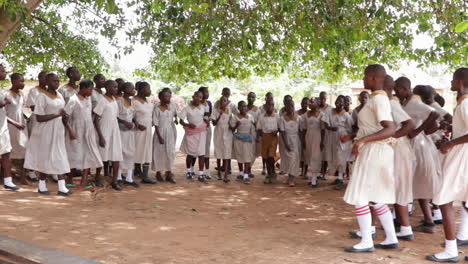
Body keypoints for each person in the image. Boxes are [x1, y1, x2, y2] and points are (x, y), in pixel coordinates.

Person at [343, 64, 397, 253]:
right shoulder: (376, 99)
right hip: (375, 150)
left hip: (375, 151)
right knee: (376, 198)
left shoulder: (379, 100)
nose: (363, 80)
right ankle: (391, 238)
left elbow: (391, 128)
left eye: (365, 77)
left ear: (373, 78)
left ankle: (367, 240)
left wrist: (363, 140)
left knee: (361, 196)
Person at [427, 68, 468, 263]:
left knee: (444, 199)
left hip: (462, 155)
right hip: (462, 153)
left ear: (460, 82)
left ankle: (451, 250)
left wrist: (450, 143)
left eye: (453, 80)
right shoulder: (462, 104)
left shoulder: (465, 104)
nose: (451, 83)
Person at [394, 77, 441, 234]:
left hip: (417, 147)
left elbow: (434, 114)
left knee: (411, 182)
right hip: (415, 145)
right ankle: (426, 221)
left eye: (397, 89)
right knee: (416, 184)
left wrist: (417, 132)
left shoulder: (414, 103)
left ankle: (406, 220)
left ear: (404, 88)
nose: (395, 92)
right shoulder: (407, 103)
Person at [24, 73, 73, 195]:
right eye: (53, 81)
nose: (56, 83)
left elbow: (62, 114)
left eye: (57, 81)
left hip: (58, 130)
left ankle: (61, 187)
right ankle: (43, 186)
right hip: (45, 131)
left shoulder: (60, 96)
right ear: (47, 82)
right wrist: (57, 114)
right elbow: (39, 118)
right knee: (45, 157)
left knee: (59, 156)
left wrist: (68, 127)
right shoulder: (41, 96)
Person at [383, 75, 416, 241]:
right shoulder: (388, 102)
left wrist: (391, 137)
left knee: (399, 186)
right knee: (395, 187)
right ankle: (403, 227)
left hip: (399, 150)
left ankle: (405, 228)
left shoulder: (391, 103)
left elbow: (409, 125)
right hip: (394, 149)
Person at [64, 79, 103, 190]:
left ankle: (84, 182)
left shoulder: (88, 99)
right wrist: (70, 131)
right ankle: (69, 180)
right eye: (90, 89)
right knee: (74, 155)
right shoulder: (73, 100)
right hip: (76, 131)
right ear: (84, 88)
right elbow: (65, 117)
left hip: (88, 131)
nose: (92, 91)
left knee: (88, 154)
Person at [93, 80, 123, 191]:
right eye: (114, 87)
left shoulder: (114, 99)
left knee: (116, 155)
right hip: (104, 130)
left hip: (114, 130)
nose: (116, 89)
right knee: (101, 155)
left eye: (117, 87)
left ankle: (114, 181)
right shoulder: (102, 100)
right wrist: (100, 136)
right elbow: (95, 119)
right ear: (107, 87)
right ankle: (97, 177)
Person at [324, 95, 354, 190]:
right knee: (333, 158)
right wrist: (330, 128)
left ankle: (341, 178)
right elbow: (325, 124)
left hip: (342, 138)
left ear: (344, 103)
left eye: (341, 102)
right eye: (337, 101)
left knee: (341, 158)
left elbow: (351, 128)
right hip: (332, 137)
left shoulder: (346, 115)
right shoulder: (329, 112)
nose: (339, 103)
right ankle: (338, 177)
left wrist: (348, 137)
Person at [179, 91, 208, 182]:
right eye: (197, 96)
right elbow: (181, 121)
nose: (198, 98)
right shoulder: (187, 108)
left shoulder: (203, 107)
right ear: (193, 96)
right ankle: (189, 171)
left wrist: (206, 122)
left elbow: (205, 118)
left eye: (200, 97)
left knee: (201, 153)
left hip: (201, 132)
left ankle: (201, 174)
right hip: (191, 133)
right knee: (190, 153)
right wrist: (187, 125)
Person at [5, 73, 29, 185]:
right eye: (21, 81)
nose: (23, 84)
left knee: (24, 150)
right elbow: (3, 114)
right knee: (7, 152)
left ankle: (23, 177)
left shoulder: (21, 95)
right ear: (13, 81)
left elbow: (20, 110)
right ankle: (6, 176)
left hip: (21, 126)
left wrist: (26, 118)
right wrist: (15, 123)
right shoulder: (6, 94)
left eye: (23, 81)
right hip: (9, 126)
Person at [0, 65, 19, 191]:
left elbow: (3, 113)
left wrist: (14, 123)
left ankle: (8, 181)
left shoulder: (1, 90)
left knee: (6, 153)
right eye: (2, 71)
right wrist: (4, 103)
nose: (4, 73)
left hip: (2, 126)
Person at [133, 82, 156, 184]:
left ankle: (145, 176)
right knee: (137, 151)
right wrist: (137, 125)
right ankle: (134, 172)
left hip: (148, 130)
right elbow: (130, 116)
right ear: (142, 89)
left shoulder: (147, 101)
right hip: (139, 130)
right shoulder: (133, 101)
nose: (150, 91)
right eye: (148, 88)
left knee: (147, 150)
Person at [116, 82, 138, 188]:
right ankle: (119, 177)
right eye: (132, 88)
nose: (134, 90)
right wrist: (125, 122)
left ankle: (129, 178)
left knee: (130, 152)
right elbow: (115, 116)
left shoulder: (132, 102)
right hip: (121, 130)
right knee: (121, 152)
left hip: (130, 131)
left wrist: (134, 122)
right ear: (126, 89)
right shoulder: (119, 101)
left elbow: (132, 116)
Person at [152, 89, 177, 183]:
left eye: (169, 96)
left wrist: (176, 119)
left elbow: (175, 115)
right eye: (165, 96)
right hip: (160, 133)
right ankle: (158, 173)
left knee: (170, 152)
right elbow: (156, 124)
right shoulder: (157, 109)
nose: (168, 98)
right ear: (160, 98)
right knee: (159, 152)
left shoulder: (171, 107)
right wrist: (159, 136)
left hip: (170, 132)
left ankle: (169, 173)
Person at [302, 97, 325, 187]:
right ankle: (312, 178)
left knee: (316, 157)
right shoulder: (305, 115)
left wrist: (322, 141)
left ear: (318, 103)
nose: (310, 103)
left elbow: (323, 129)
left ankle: (314, 180)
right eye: (310, 102)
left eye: (313, 102)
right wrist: (303, 140)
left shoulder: (322, 115)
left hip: (317, 137)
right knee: (310, 156)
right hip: (308, 137)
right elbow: (304, 129)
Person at [231, 101, 255, 184]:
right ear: (238, 108)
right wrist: (237, 125)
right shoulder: (235, 117)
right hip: (238, 138)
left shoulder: (250, 117)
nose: (243, 108)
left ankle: (246, 175)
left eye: (245, 106)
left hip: (248, 139)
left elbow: (253, 128)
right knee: (240, 156)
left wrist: (253, 138)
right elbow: (232, 129)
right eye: (241, 106)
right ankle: (241, 173)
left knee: (247, 156)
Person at [279, 102, 302, 187]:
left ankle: (291, 178)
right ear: (285, 107)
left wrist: (302, 143)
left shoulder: (299, 118)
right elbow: (282, 132)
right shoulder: (282, 119)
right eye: (288, 106)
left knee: (294, 159)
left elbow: (300, 131)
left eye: (292, 106)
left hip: (296, 140)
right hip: (286, 139)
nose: (290, 108)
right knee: (288, 159)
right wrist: (286, 144)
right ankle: (289, 177)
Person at [211, 96, 233, 182]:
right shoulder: (216, 110)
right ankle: (219, 172)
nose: (223, 102)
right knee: (219, 152)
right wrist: (219, 115)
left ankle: (226, 174)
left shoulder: (229, 110)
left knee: (227, 153)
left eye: (225, 101)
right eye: (221, 101)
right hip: (219, 133)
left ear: (227, 102)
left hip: (227, 133)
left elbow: (230, 121)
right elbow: (214, 123)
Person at [257, 100, 279, 184]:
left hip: (273, 138)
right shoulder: (261, 116)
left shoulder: (277, 116)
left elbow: (280, 127)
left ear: (273, 106)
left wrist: (276, 131)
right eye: (268, 105)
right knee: (266, 157)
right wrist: (261, 136)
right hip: (264, 137)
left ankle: (270, 174)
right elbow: (258, 128)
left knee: (270, 156)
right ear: (265, 106)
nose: (270, 107)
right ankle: (271, 173)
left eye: (272, 105)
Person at [199, 86, 213, 180]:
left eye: (208, 92)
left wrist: (207, 118)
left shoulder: (209, 103)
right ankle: (195, 170)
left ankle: (207, 171)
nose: (207, 94)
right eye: (205, 92)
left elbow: (210, 114)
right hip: (199, 127)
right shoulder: (197, 103)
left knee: (207, 148)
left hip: (207, 127)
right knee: (199, 149)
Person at [319, 91, 333, 179]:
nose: (322, 100)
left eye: (324, 98)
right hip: (317, 133)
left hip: (327, 134)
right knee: (319, 154)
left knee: (326, 154)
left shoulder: (330, 109)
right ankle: (320, 172)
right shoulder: (316, 108)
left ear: (326, 99)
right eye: (321, 98)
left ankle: (324, 173)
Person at [297, 97, 309, 178]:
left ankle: (305, 171)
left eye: (306, 103)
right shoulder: (296, 113)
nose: (304, 105)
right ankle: (301, 170)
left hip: (307, 135)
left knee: (306, 154)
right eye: (303, 103)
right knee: (299, 154)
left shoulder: (309, 113)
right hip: (297, 135)